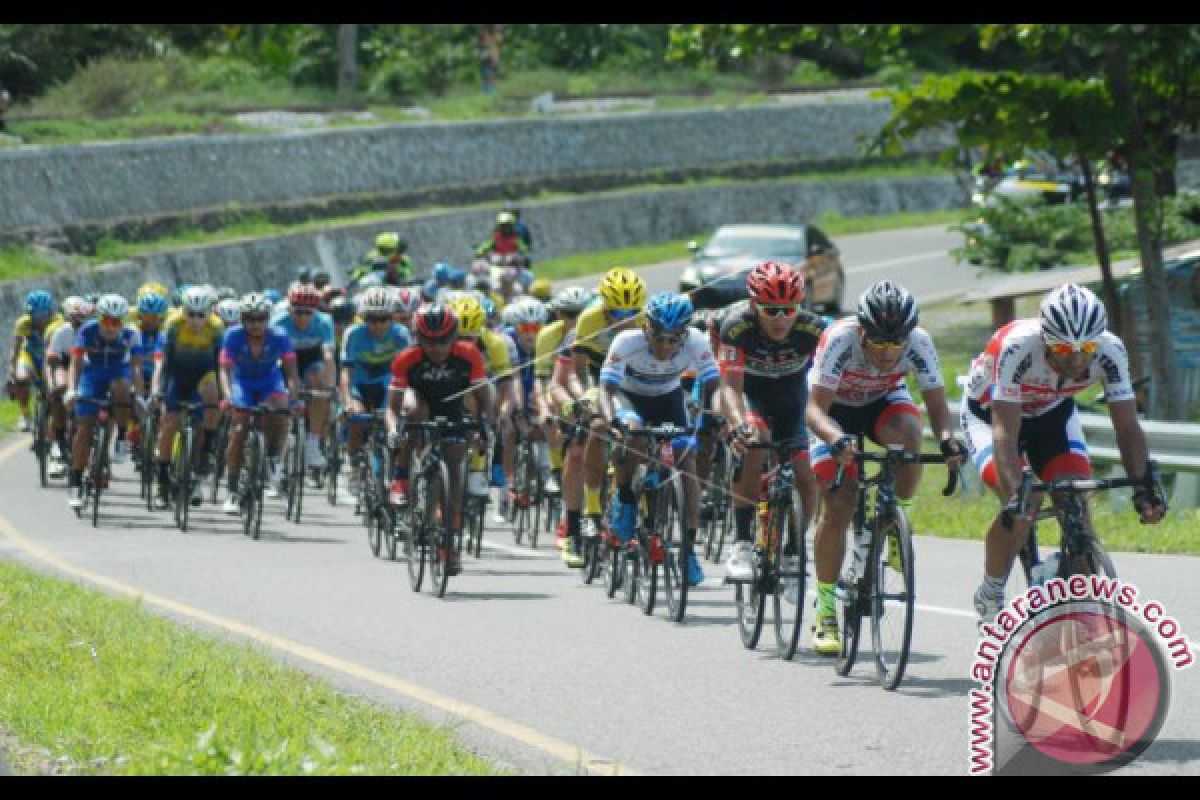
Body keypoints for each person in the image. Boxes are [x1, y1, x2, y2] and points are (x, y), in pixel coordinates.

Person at [962, 284, 1166, 624]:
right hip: (991, 417)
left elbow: (1128, 429)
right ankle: (991, 591)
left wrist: (1143, 487)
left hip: (1052, 416)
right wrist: (1017, 495)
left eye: (1086, 348)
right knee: (1024, 509)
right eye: (1062, 348)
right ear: (1045, 339)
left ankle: (1084, 613)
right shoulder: (1016, 347)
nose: (1076, 359)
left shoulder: (1111, 350)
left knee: (1075, 497)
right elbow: (1005, 433)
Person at [805, 280, 964, 655]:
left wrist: (947, 441)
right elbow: (813, 411)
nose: (888, 353)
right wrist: (835, 440)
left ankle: (896, 520)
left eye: (897, 345)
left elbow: (938, 409)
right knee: (840, 502)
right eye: (878, 344)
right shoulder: (839, 340)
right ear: (862, 332)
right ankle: (826, 607)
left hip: (882, 402)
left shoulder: (920, 343)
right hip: (833, 410)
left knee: (910, 434)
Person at [596, 292, 719, 587]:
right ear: (646, 329)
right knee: (634, 435)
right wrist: (614, 419)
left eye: (673, 339)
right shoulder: (626, 342)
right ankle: (625, 499)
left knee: (686, 457)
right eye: (659, 338)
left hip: (668, 399)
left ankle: (688, 549)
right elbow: (606, 390)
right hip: (630, 398)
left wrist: (710, 416)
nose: (665, 346)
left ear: (684, 334)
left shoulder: (697, 342)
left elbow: (714, 385)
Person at [716, 262, 825, 585]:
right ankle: (742, 543)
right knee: (754, 440)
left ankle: (793, 548)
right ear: (753, 305)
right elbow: (729, 388)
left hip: (794, 399)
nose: (781, 318)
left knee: (806, 473)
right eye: (771, 310)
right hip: (753, 397)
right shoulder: (737, 329)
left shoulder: (815, 329)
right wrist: (736, 424)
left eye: (788, 309)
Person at [388, 305, 495, 576]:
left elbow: (484, 399)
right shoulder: (406, 358)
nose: (437, 347)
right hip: (420, 405)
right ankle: (401, 478)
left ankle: (450, 540)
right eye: (429, 341)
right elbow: (392, 407)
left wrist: (483, 427)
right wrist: (393, 431)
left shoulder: (469, 355)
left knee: (455, 468)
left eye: (444, 340)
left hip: (454, 409)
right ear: (418, 338)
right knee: (413, 412)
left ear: (454, 337)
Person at [565, 268, 646, 549]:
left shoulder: (648, 321)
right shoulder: (589, 319)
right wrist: (582, 398)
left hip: (636, 383)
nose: (624, 322)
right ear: (604, 307)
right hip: (600, 382)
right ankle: (591, 511)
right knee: (597, 428)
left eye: (630, 314)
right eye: (616, 314)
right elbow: (577, 372)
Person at [218, 293, 301, 514]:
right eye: (250, 319)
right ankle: (233, 491)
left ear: (268, 318)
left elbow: (291, 373)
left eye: (261, 318)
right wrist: (227, 397)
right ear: (243, 319)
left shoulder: (280, 335)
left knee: (280, 412)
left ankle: (274, 459)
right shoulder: (233, 335)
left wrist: (293, 398)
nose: (256, 324)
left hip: (269, 382)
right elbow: (225, 371)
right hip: (242, 383)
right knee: (238, 430)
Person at [64, 294, 145, 509]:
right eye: (107, 321)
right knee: (84, 429)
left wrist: (140, 394)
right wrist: (72, 389)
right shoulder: (86, 331)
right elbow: (75, 363)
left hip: (118, 372)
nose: (111, 327)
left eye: (116, 321)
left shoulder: (131, 334)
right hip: (92, 374)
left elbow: (136, 367)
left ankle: (120, 436)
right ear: (99, 319)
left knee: (122, 388)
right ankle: (75, 481)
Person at [150, 286, 225, 509]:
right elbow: (161, 362)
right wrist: (157, 389)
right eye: (190, 313)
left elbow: (221, 365)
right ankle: (162, 480)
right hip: (176, 376)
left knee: (211, 396)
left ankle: (206, 449)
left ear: (209, 313)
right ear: (183, 311)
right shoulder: (173, 324)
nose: (194, 319)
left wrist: (224, 397)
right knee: (169, 424)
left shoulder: (216, 328)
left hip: (203, 375)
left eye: (201, 315)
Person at [340, 287, 411, 490]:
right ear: (363, 317)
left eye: (383, 319)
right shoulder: (353, 333)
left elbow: (409, 372)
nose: (377, 324)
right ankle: (354, 466)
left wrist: (408, 399)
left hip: (387, 386)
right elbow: (346, 372)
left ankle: (397, 472)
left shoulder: (402, 334)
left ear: (392, 317)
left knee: (396, 424)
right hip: (360, 385)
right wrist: (347, 402)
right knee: (357, 419)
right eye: (371, 318)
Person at [271, 283, 337, 476]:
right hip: (283, 360)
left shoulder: (324, 322)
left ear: (315, 311)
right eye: (298, 312)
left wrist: (329, 386)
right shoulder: (279, 322)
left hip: (311, 360)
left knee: (319, 383)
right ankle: (277, 454)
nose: (302, 317)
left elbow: (328, 357)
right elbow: (271, 359)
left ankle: (313, 445)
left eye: (308, 313)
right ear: (289, 308)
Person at [43, 296, 94, 478]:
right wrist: (52, 385)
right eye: (74, 320)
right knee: (61, 389)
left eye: (81, 320)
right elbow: (51, 363)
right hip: (64, 365)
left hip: (87, 367)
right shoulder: (61, 332)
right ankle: (58, 438)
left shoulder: (93, 331)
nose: (78, 324)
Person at [8, 290, 60, 433]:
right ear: (30, 314)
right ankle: (25, 415)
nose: (41, 319)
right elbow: (16, 348)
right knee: (22, 377)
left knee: (54, 392)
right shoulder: (23, 323)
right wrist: (12, 369)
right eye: (37, 315)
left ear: (50, 312)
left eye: (44, 314)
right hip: (30, 355)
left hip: (50, 358)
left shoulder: (58, 322)